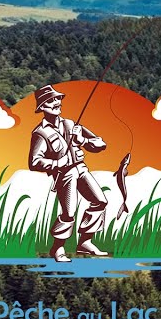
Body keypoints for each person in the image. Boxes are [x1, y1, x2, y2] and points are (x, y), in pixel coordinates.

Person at [28, 84, 110, 262]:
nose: (56, 102)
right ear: (42, 107)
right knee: (69, 213)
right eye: (51, 100)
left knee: (100, 201)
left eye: (58, 98)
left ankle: (85, 242)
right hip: (64, 175)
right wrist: (58, 162)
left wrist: (83, 140)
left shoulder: (71, 124)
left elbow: (100, 144)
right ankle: (57, 249)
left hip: (81, 169)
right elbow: (34, 162)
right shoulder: (40, 133)